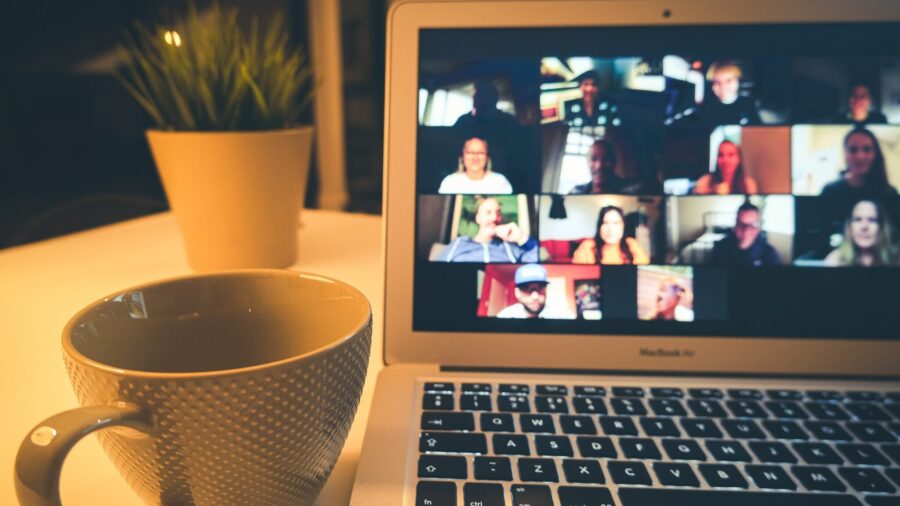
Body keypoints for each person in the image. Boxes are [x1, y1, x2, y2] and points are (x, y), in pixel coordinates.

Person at [820, 128, 897, 219]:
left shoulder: (890, 194)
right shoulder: (830, 191)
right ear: (845, 154)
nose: (860, 156)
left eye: (867, 149)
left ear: (875, 154)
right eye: (853, 150)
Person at [438, 196, 538, 262]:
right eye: (488, 212)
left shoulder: (510, 247)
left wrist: (521, 238)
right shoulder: (459, 243)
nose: (494, 218)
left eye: (498, 213)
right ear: (478, 218)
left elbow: (535, 261)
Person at [824, 199, 898, 267]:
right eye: (858, 219)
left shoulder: (896, 260)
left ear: (882, 227)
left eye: (872, 220)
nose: (864, 227)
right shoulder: (835, 260)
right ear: (849, 227)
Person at [710, 202, 781, 266]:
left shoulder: (769, 253)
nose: (746, 230)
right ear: (735, 225)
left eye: (752, 225)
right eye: (741, 224)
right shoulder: (720, 249)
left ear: (758, 228)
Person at [573, 205, 649, 265]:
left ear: (623, 226)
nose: (610, 229)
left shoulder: (631, 243)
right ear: (599, 226)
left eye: (615, 223)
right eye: (605, 223)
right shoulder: (588, 246)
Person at [438, 137, 513, 194]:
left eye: (481, 152)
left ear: (487, 157)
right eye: (470, 152)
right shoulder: (449, 182)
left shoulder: (500, 181)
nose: (475, 157)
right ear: (462, 157)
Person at [568, 139, 642, 195]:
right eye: (594, 159)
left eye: (606, 159)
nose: (599, 166)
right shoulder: (576, 192)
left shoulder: (635, 191)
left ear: (614, 162)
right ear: (587, 162)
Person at [699, 60, 760, 125]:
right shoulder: (707, 107)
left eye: (728, 80)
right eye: (717, 82)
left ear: (738, 81)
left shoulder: (748, 102)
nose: (723, 87)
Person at [693, 140, 759, 195]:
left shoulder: (749, 185)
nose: (725, 160)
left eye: (731, 155)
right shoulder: (704, 182)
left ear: (739, 159)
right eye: (721, 155)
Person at [453, 80, 519, 128]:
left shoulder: (507, 121)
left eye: (481, 94)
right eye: (476, 94)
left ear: (493, 98)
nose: (475, 97)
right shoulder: (464, 121)